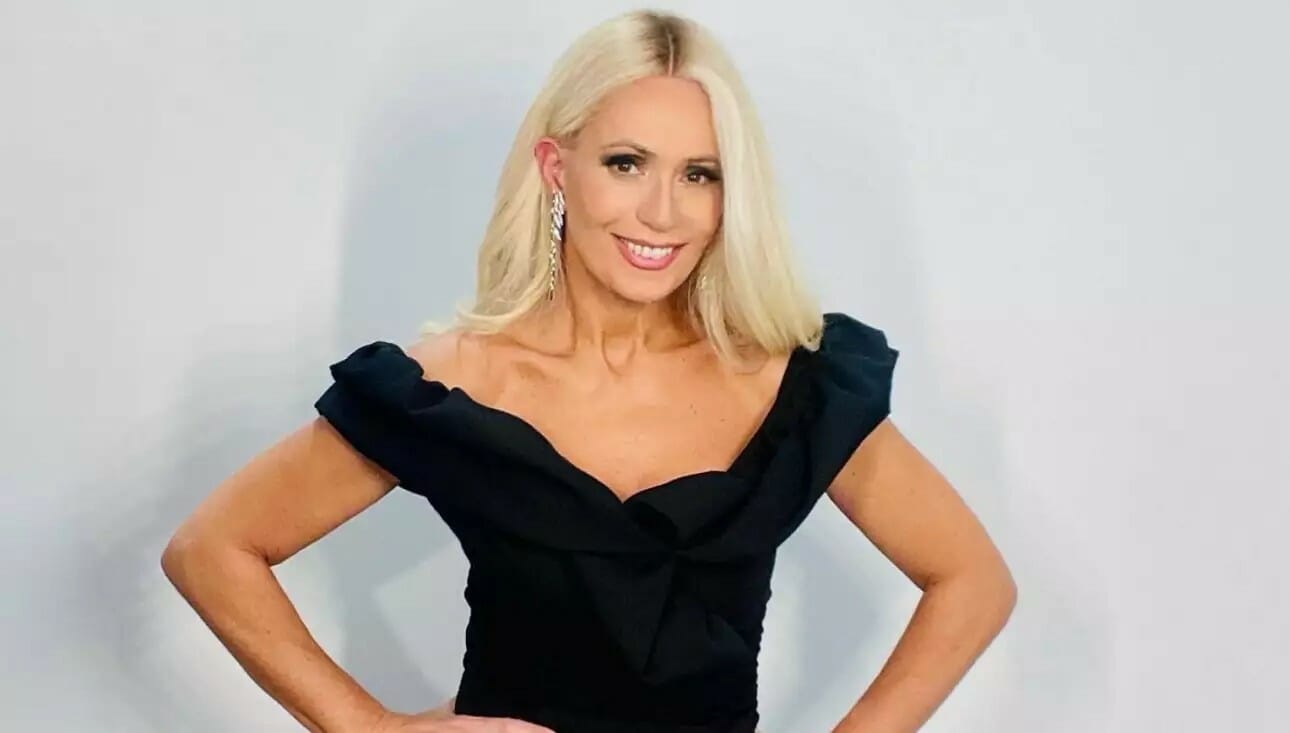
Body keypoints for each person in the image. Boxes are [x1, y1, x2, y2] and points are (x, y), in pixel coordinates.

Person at [161, 9, 1016, 733]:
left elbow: (973, 581)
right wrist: (369, 726)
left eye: (699, 174)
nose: (662, 212)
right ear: (556, 168)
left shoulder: (792, 388)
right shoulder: (453, 388)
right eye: (626, 163)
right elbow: (213, 549)